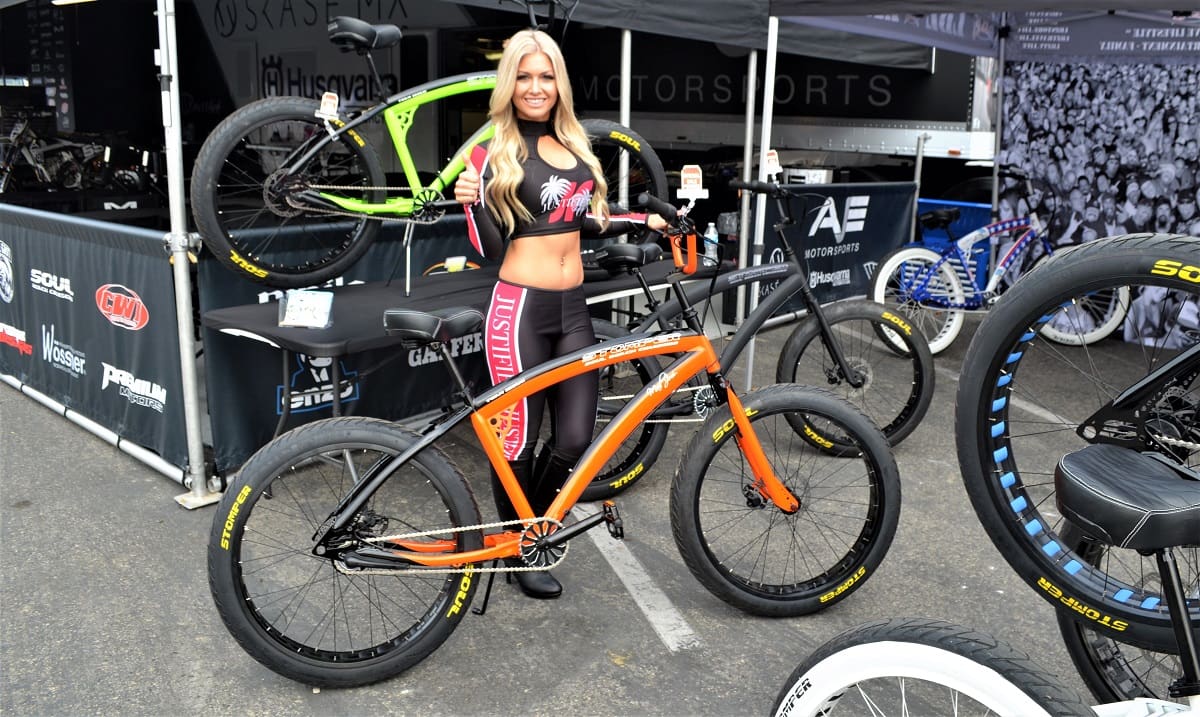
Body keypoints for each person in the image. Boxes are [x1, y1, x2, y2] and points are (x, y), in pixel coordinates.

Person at [453, 28, 667, 599]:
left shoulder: (574, 148)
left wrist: (644, 222)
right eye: (523, 76)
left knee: (574, 438)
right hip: (518, 311)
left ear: (559, 83)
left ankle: (534, 526)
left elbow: (589, 219)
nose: (535, 86)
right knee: (519, 441)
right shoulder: (490, 151)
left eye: (545, 75)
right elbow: (487, 250)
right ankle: (523, 544)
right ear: (509, 83)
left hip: (574, 308)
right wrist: (471, 203)